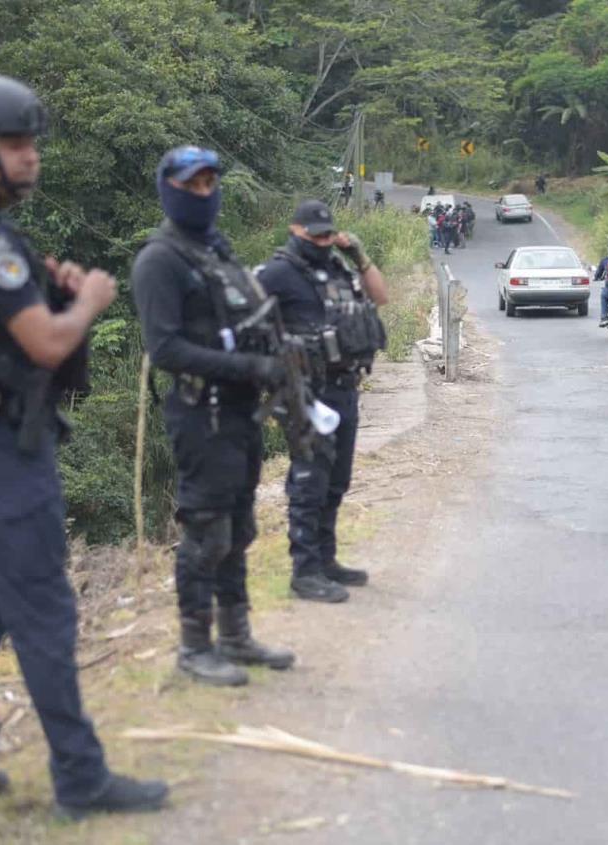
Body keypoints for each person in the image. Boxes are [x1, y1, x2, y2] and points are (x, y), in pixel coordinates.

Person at [0, 74, 167, 819]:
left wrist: (51, 297)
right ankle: (81, 778)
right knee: (44, 606)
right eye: (15, 142)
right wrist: (86, 301)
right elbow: (46, 344)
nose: (31, 156)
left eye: (30, 142)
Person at [132, 146, 296, 687]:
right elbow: (167, 349)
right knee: (207, 533)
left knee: (241, 527)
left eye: (209, 184)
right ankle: (194, 647)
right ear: (169, 190)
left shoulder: (217, 253)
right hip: (201, 416)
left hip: (242, 414)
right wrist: (246, 364)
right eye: (191, 185)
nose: (203, 193)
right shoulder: (160, 260)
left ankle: (235, 635)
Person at [257, 200, 389, 603]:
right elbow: (240, 315)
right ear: (296, 232)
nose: (321, 241)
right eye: (314, 235)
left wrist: (360, 256)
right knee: (309, 480)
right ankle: (305, 569)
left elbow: (380, 298)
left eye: (327, 235)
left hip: (344, 387)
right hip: (304, 391)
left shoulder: (338, 267)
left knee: (337, 480)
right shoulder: (277, 273)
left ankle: (327, 560)